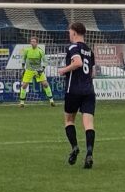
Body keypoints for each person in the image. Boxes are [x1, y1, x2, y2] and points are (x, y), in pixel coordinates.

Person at [57, 22, 96, 169]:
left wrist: (64, 70)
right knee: (89, 124)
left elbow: (78, 63)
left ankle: (74, 147)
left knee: (68, 120)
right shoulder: (90, 51)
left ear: (74, 33)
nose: (69, 35)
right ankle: (90, 152)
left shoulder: (73, 47)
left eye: (69, 32)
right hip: (89, 91)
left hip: (73, 90)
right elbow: (93, 73)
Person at [17, 37, 54, 107]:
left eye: (34, 41)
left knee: (45, 84)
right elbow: (23, 59)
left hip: (38, 70)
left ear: (37, 43)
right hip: (29, 70)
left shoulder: (40, 51)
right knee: (24, 85)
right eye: (31, 41)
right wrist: (23, 68)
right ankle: (22, 103)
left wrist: (42, 69)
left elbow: (45, 62)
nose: (32, 43)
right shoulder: (27, 50)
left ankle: (51, 101)